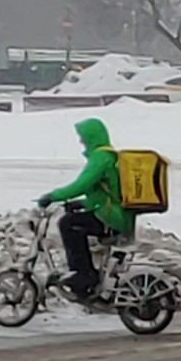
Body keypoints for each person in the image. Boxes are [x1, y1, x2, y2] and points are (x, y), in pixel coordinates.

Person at [38, 117, 136, 296]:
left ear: (92, 137)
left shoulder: (101, 157)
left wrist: (53, 196)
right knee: (74, 222)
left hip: (111, 218)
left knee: (68, 224)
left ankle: (83, 274)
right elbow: (103, 193)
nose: (81, 141)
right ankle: (86, 276)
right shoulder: (107, 156)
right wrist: (81, 204)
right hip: (113, 214)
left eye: (83, 136)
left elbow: (82, 184)